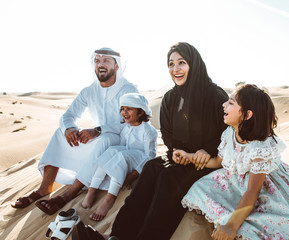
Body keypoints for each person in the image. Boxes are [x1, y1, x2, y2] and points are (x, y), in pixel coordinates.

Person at [72, 42, 229, 240]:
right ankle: (117, 236)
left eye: (182, 63)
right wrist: (176, 151)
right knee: (152, 167)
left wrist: (206, 151)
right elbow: (169, 134)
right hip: (180, 157)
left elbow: (228, 133)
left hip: (206, 162)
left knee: (168, 178)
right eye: (171, 64)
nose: (175, 69)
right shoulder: (171, 98)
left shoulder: (215, 95)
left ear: (194, 64)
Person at [178, 84, 289, 239]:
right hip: (238, 180)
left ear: (247, 115)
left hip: (261, 186)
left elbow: (253, 191)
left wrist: (230, 226)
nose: (224, 104)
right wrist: (189, 156)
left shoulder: (260, 147)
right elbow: (216, 162)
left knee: (258, 223)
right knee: (200, 188)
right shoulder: (229, 134)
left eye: (231, 102)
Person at [11, 47, 138, 210]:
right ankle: (45, 188)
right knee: (60, 133)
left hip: (124, 140)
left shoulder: (128, 89)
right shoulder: (89, 91)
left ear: (117, 66)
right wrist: (69, 128)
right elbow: (68, 115)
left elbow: (132, 122)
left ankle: (68, 195)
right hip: (99, 136)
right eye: (97, 61)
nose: (101, 64)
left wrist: (98, 130)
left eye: (106, 60)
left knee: (105, 139)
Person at [81, 93, 158, 221]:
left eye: (129, 109)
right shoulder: (126, 127)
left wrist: (132, 176)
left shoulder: (148, 130)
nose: (124, 112)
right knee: (112, 150)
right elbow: (110, 127)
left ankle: (110, 199)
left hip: (139, 161)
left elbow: (150, 157)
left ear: (140, 112)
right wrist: (97, 130)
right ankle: (92, 190)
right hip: (125, 157)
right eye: (122, 109)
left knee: (121, 154)